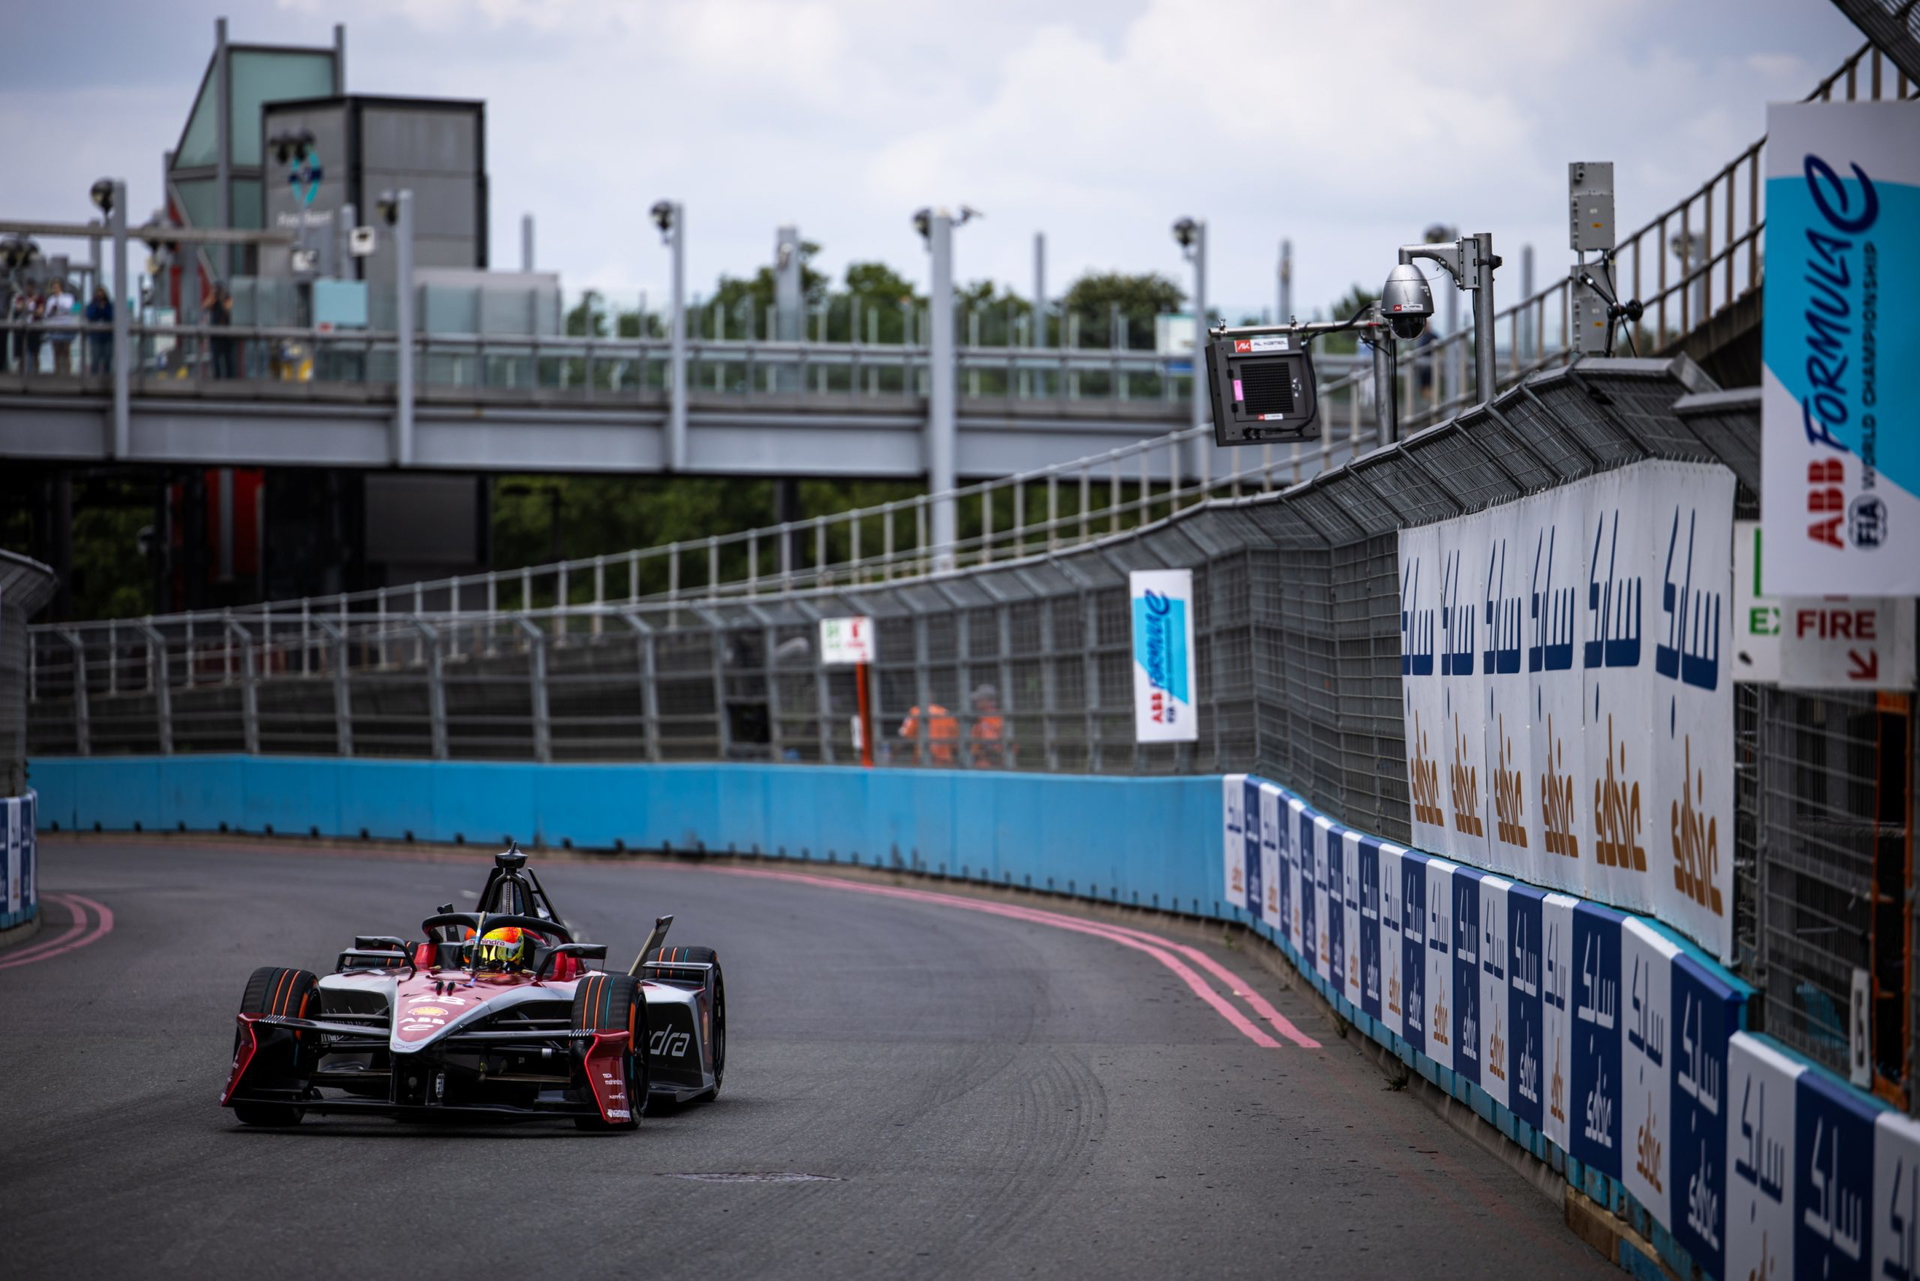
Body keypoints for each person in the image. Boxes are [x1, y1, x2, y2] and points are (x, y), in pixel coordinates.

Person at [897, 701, 958, 767]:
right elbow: (955, 739)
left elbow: (905, 734)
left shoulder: (916, 711)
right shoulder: (946, 712)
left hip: (922, 758)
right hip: (944, 760)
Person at [969, 683, 1008, 768]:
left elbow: (990, 748)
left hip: (989, 765)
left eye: (978, 700)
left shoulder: (990, 718)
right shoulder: (994, 717)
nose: (976, 703)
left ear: (986, 701)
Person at [42, 279, 76, 374]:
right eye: (53, 287)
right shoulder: (50, 299)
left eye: (56, 287)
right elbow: (46, 314)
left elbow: (71, 309)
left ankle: (68, 372)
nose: (54, 289)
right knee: (56, 351)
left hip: (65, 325)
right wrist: (52, 310)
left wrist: (59, 304)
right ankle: (57, 372)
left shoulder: (68, 297)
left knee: (66, 351)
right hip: (54, 326)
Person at [208, 283, 236, 379]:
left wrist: (221, 299)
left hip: (226, 335)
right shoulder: (214, 299)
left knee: (228, 358)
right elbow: (205, 306)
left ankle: (229, 377)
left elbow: (227, 310)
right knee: (215, 358)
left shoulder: (228, 298)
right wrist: (212, 295)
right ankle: (217, 376)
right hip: (215, 335)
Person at [84, 286, 112, 375]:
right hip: (95, 336)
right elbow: (90, 316)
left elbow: (111, 316)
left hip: (107, 336)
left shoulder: (109, 305)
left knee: (107, 358)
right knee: (95, 358)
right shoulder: (92, 305)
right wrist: (97, 307)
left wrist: (104, 308)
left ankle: (107, 375)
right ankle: (94, 376)